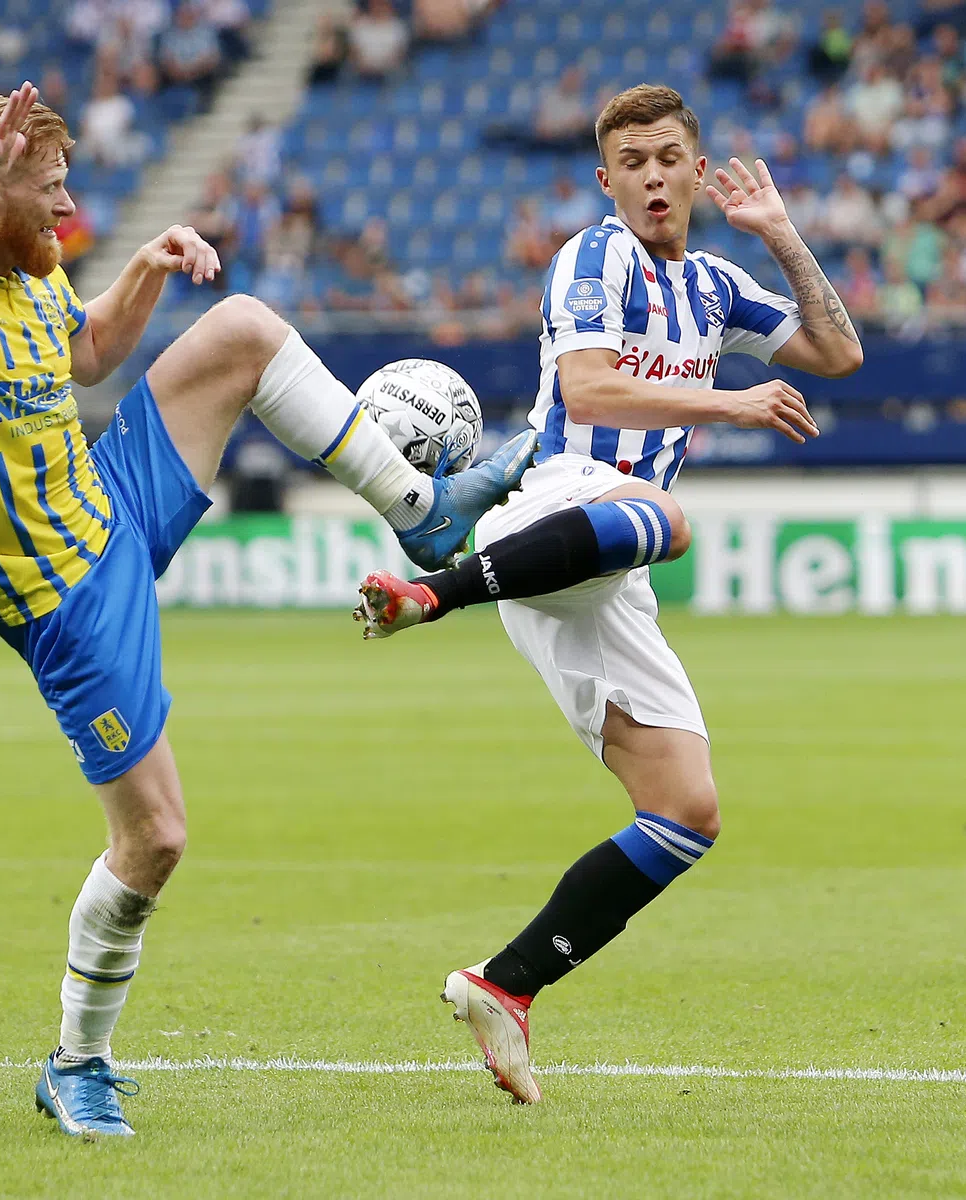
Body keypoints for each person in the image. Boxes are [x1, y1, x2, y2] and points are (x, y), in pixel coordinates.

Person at [0, 83, 535, 1138]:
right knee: (156, 837)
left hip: (110, 499)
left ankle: (423, 514)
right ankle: (76, 1063)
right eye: (47, 188)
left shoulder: (36, 277)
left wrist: (145, 269)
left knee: (245, 328)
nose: (67, 208)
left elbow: (84, 356)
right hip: (62, 598)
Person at [351, 85, 862, 1104]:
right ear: (607, 181)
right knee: (672, 521)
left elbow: (840, 351)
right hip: (560, 506)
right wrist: (731, 399)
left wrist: (782, 234)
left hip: (600, 573)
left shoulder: (717, 285)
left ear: (698, 167)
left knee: (685, 811)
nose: (653, 176)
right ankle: (431, 596)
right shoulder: (597, 258)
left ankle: (506, 986)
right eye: (632, 162)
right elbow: (587, 390)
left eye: (670, 156)